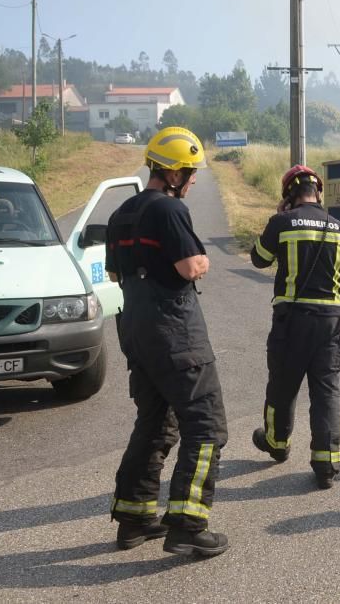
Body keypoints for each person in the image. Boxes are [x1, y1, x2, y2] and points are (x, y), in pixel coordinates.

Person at [106, 127, 229, 557]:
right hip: (176, 334)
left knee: (155, 422)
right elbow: (191, 266)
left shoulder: (122, 212)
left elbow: (115, 274)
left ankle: (134, 517)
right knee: (207, 425)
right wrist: (204, 261)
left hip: (136, 331)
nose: (193, 179)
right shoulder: (169, 211)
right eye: (190, 171)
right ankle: (188, 525)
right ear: (173, 173)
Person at [250, 164, 340, 490]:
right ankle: (326, 462)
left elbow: (258, 258)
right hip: (329, 324)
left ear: (288, 195)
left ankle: (278, 444)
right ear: (318, 192)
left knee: (282, 386)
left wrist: (277, 216)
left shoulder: (282, 222)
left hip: (291, 322)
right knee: (326, 391)